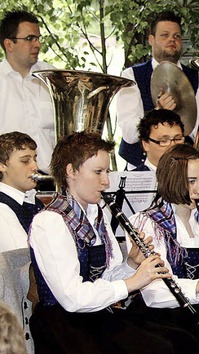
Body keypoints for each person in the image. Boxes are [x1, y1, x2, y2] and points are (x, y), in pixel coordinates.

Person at [28, 131, 177, 354]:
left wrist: (131, 264)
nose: (106, 181)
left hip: (94, 316)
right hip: (61, 324)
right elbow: (72, 298)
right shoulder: (49, 222)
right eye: (98, 172)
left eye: (107, 172)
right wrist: (132, 283)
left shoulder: (97, 213)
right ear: (71, 171)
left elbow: (103, 279)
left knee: (178, 340)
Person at [127, 143, 199, 353]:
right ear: (172, 181)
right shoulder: (147, 223)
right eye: (191, 182)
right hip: (163, 316)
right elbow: (153, 293)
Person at [116, 10, 199, 168]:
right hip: (141, 167)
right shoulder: (131, 76)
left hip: (182, 167)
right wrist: (156, 112)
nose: (172, 39)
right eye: (165, 35)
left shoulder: (198, 78)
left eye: (177, 36)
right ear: (151, 39)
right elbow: (129, 133)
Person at [0, 11, 55, 173]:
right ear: (9, 45)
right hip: (6, 180)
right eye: (30, 39)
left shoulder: (54, 77)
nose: (37, 44)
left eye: (38, 38)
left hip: (50, 180)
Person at [0, 132, 44, 252]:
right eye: (25, 161)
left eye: (35, 159)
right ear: (2, 165)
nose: (35, 167)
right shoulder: (2, 209)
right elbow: (21, 262)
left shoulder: (34, 201)